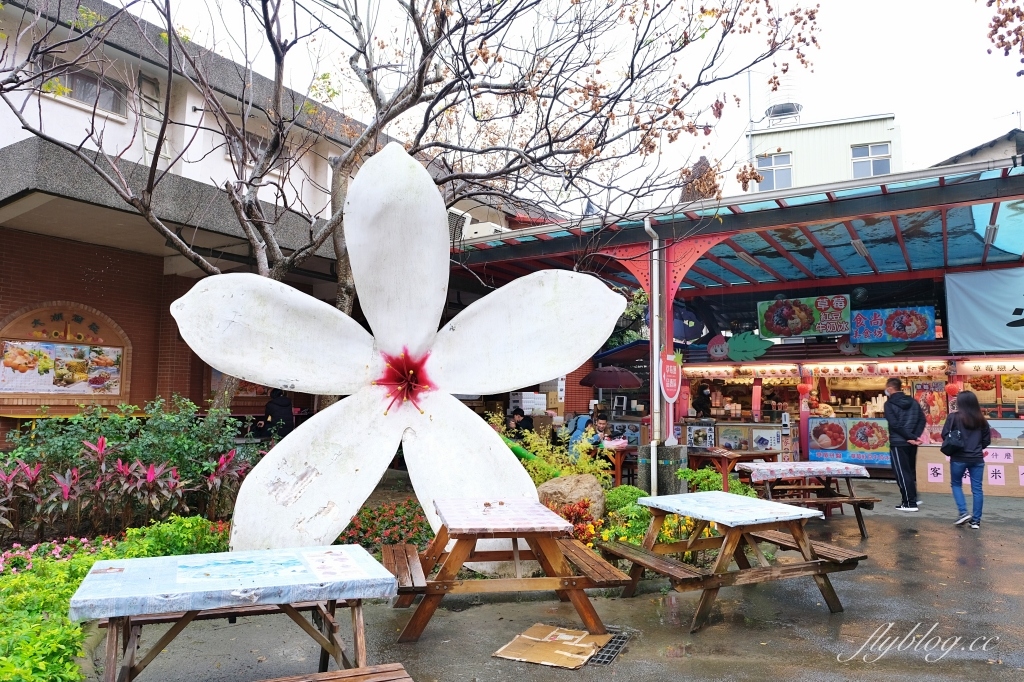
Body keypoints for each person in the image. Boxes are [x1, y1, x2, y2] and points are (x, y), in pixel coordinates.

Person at [942, 391, 990, 529]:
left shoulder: (953, 417)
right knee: (977, 489)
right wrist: (976, 447)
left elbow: (945, 435)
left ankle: (963, 512)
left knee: (956, 484)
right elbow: (986, 440)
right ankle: (976, 521)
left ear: (960, 403)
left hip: (958, 457)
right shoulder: (982, 420)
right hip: (977, 458)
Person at [883, 377, 926, 511]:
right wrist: (914, 436)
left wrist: (910, 437)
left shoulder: (889, 404)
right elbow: (922, 419)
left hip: (898, 442)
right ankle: (912, 498)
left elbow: (895, 425)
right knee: (910, 471)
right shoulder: (913, 401)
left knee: (902, 473)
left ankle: (909, 503)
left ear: (890, 388)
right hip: (911, 442)